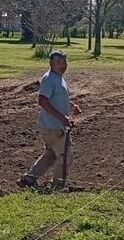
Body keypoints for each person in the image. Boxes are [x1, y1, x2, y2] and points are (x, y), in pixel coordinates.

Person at [20, 50, 81, 188]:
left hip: (51, 125)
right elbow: (42, 100)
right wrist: (62, 117)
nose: (63, 65)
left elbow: (56, 98)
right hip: (53, 126)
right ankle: (58, 186)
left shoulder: (59, 78)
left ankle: (29, 179)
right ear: (51, 64)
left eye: (64, 62)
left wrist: (71, 106)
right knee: (65, 156)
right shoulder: (49, 78)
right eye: (59, 62)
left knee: (51, 154)